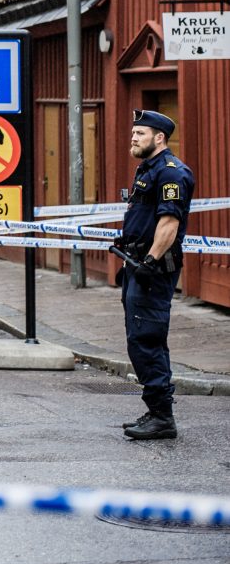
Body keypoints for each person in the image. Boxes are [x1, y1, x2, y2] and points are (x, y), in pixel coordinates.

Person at [117, 109, 194, 442]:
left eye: (140, 134)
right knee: (140, 339)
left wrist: (149, 262)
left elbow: (169, 224)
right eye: (133, 133)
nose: (133, 138)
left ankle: (163, 417)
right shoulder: (148, 168)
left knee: (146, 339)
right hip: (137, 266)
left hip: (153, 270)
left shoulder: (172, 174)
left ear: (159, 138)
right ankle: (156, 409)